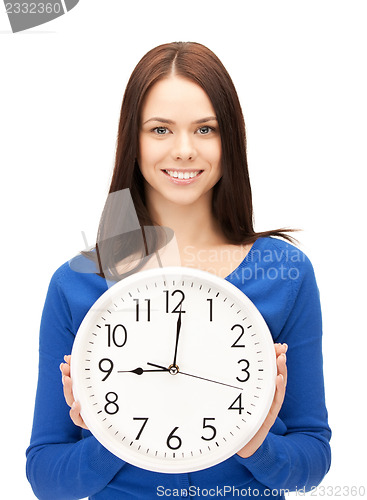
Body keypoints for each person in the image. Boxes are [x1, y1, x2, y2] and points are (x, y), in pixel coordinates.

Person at [26, 42, 331, 499]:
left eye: (205, 128)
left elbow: (313, 460)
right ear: (134, 139)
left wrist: (257, 446)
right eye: (161, 130)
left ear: (230, 139)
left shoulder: (284, 271)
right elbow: (45, 477)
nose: (184, 150)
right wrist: (112, 437)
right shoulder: (77, 283)